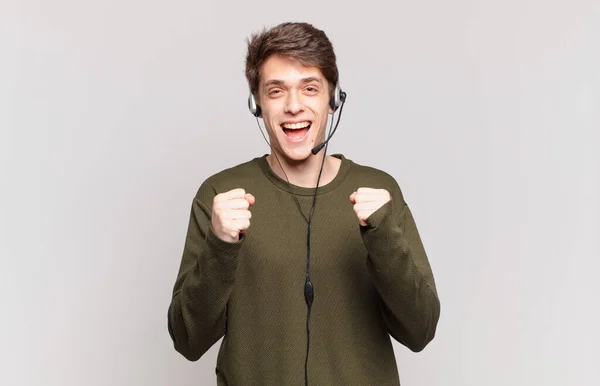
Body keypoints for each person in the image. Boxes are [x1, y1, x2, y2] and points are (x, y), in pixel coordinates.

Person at [167, 21, 441, 386]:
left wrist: (383, 236)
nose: (294, 106)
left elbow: (420, 330)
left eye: (309, 88)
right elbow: (188, 340)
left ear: (333, 99)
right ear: (257, 105)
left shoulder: (378, 190)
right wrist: (220, 244)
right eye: (276, 91)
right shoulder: (221, 196)